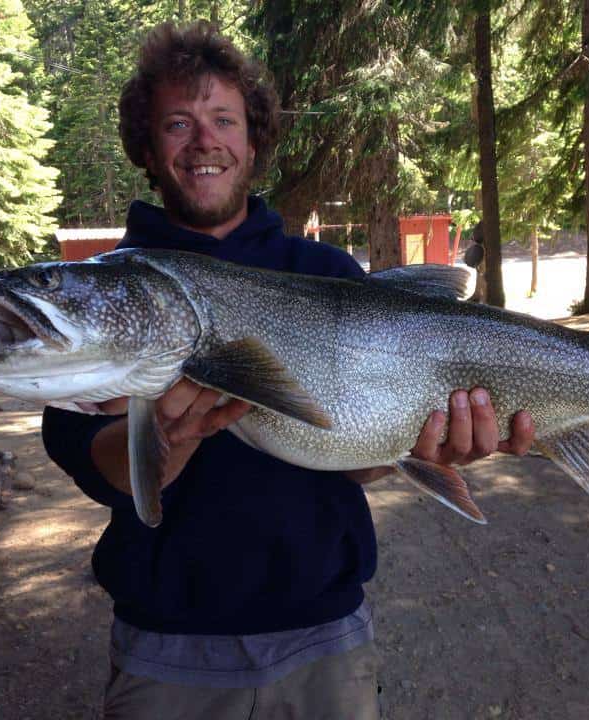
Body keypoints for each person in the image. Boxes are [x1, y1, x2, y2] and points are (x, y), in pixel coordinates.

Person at [42, 20, 535, 719]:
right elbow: (95, 468)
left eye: (223, 119)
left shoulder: (324, 271)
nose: (204, 140)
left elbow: (355, 460)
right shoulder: (109, 296)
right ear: (147, 148)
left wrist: (419, 445)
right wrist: (164, 445)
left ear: (252, 139)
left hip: (325, 638)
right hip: (166, 647)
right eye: (178, 123)